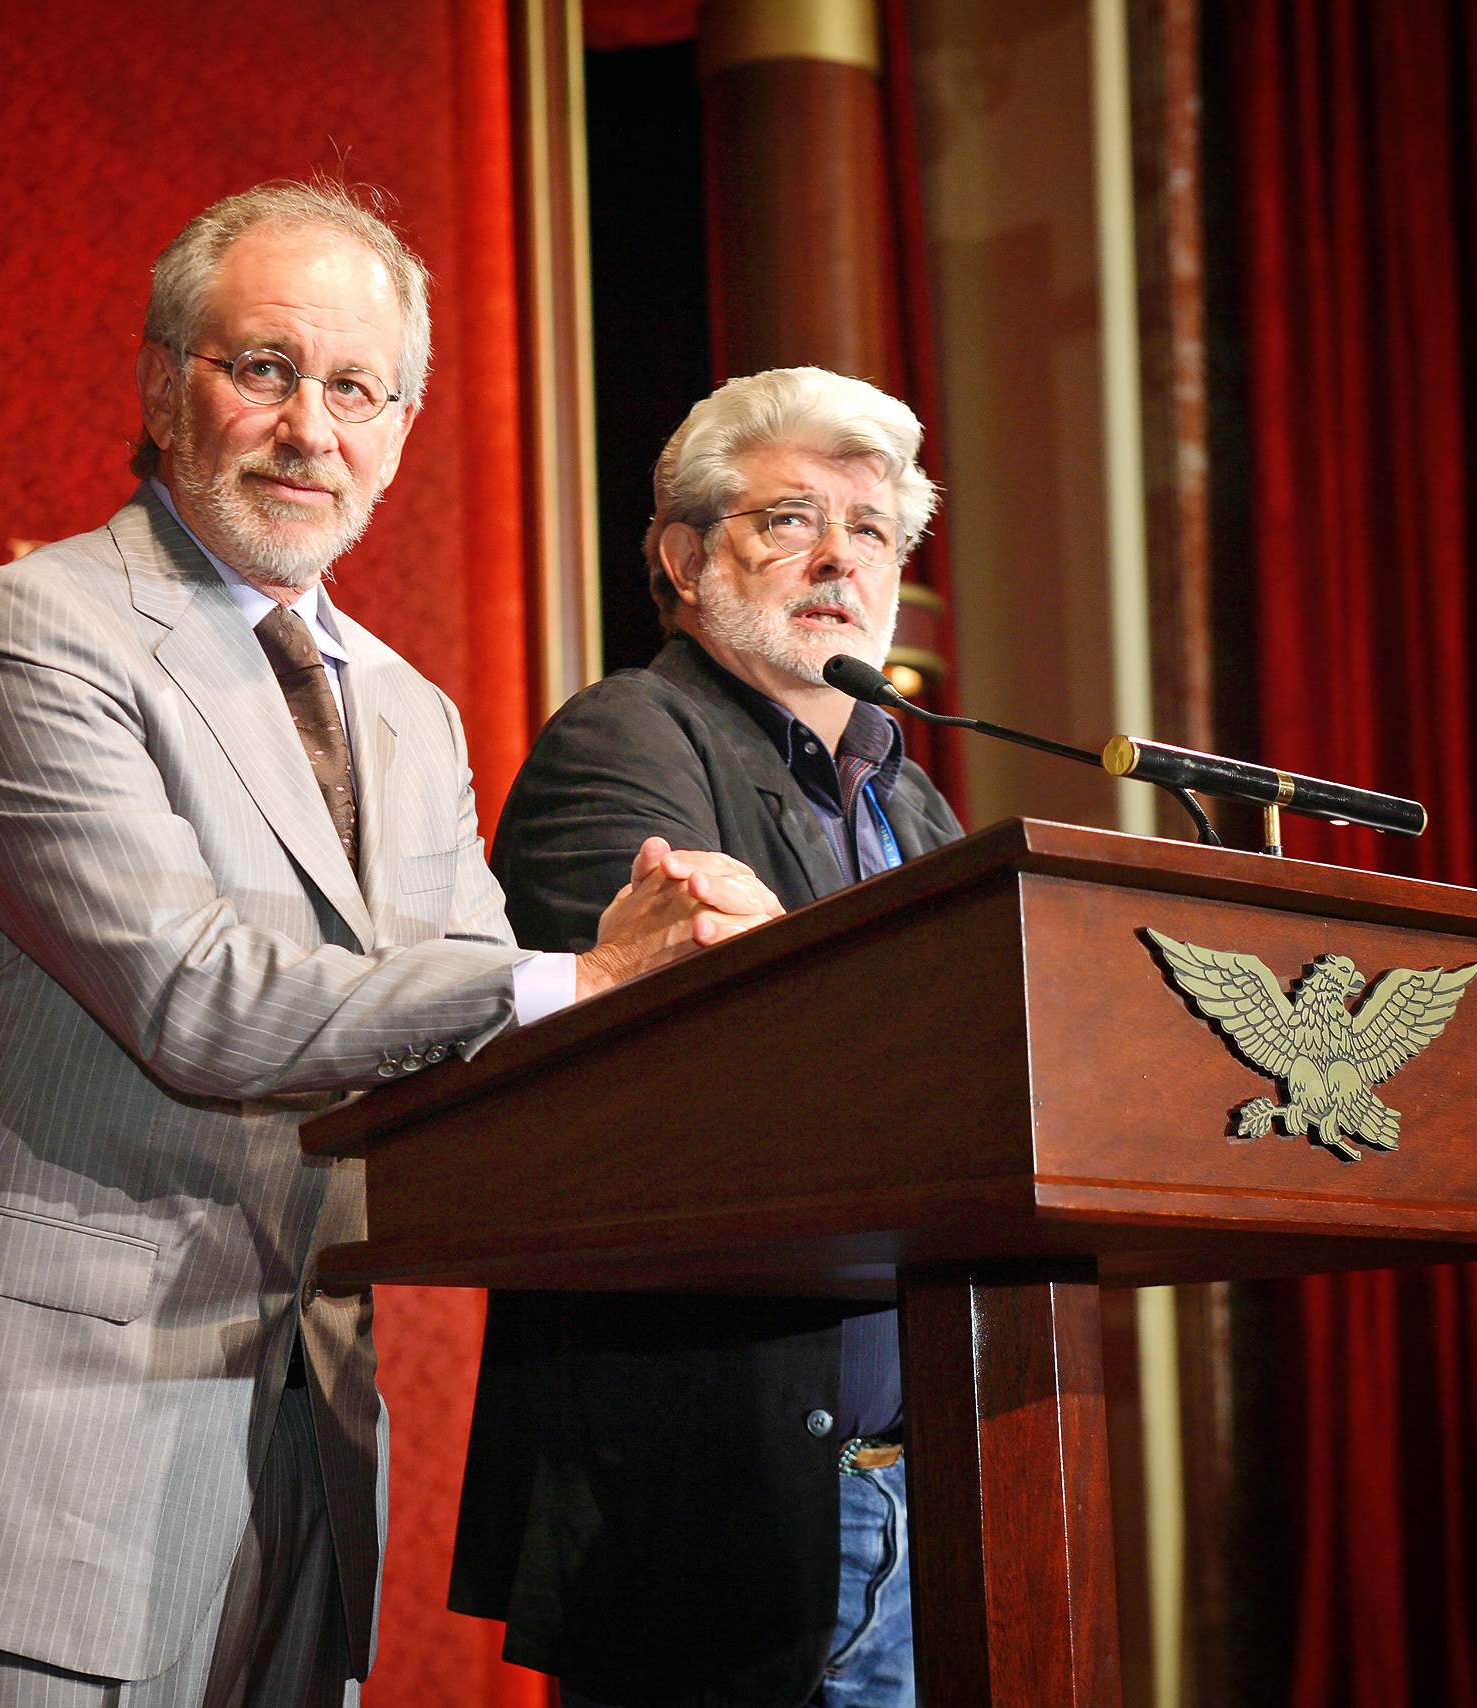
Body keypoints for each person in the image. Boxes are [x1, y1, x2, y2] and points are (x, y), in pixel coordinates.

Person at [0, 180, 780, 1708]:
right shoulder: (34, 633)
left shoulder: (414, 712)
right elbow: (195, 1002)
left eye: (357, 387)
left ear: (404, 428)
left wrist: (696, 1025)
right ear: (165, 387)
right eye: (265, 369)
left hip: (303, 1443)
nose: (313, 426)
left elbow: (464, 1045)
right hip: (43, 1447)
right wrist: (581, 978)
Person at [450, 368, 966, 1708]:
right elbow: (676, 1076)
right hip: (716, 1503)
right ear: (686, 558)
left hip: (934, 1497)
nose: (840, 559)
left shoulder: (918, 807)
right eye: (790, 518)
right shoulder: (626, 741)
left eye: (873, 529)